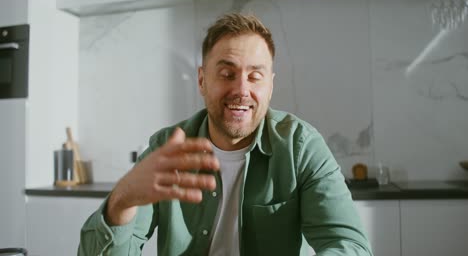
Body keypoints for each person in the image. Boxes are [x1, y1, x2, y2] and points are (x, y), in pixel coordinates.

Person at [78, 13, 373, 256]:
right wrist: (122, 199)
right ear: (202, 80)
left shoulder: (301, 147)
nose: (241, 90)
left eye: (255, 76)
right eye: (227, 74)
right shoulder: (165, 148)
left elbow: (349, 246)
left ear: (270, 86)